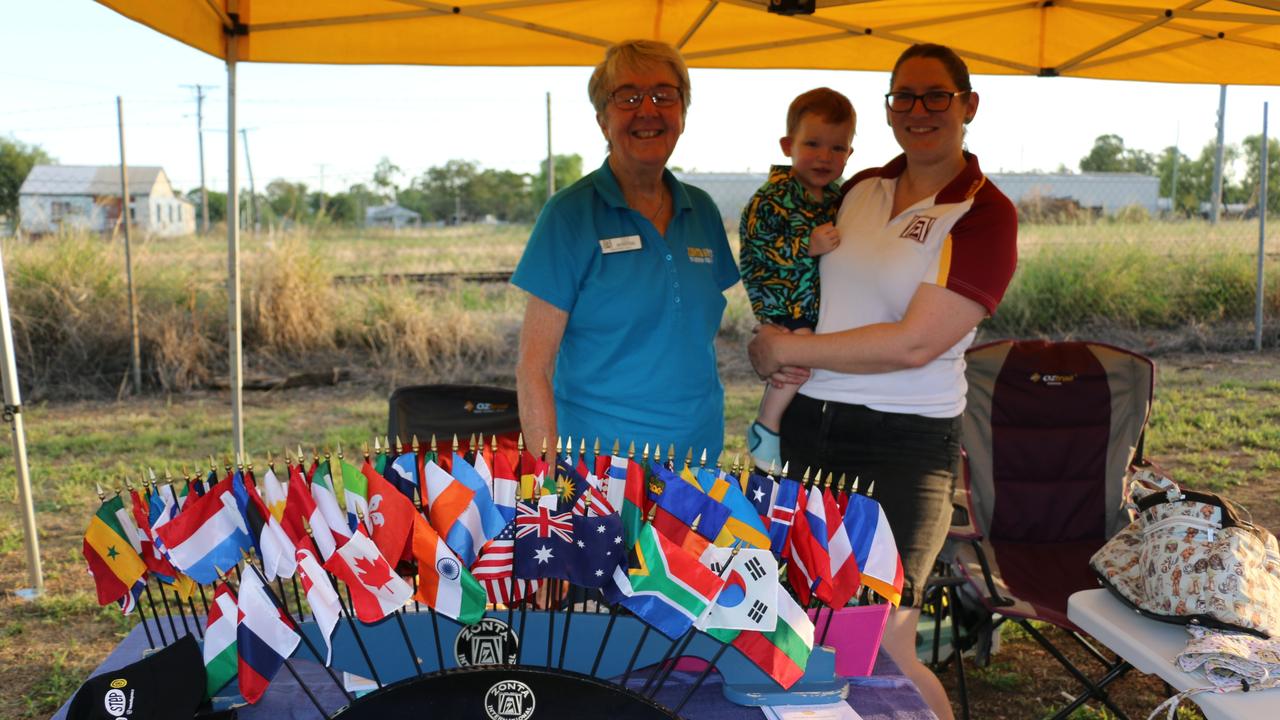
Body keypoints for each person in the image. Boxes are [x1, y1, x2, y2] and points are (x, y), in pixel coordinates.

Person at [748, 43, 1018, 720]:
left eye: (936, 96)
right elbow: (783, 257)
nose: (919, 111)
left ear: (969, 106)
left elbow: (916, 342)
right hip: (808, 429)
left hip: (902, 447)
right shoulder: (857, 187)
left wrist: (790, 346)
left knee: (884, 646)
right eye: (903, 97)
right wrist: (771, 338)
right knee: (802, 628)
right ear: (888, 110)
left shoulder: (982, 214)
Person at [513, 39, 739, 469]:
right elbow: (533, 368)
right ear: (603, 119)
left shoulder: (703, 211)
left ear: (683, 114)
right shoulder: (570, 215)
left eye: (664, 95)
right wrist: (551, 480)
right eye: (628, 97)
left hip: (699, 459)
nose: (648, 110)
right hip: (601, 470)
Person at [739, 87, 855, 471]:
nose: (825, 157)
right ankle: (766, 426)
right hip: (781, 299)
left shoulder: (837, 198)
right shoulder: (772, 197)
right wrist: (805, 244)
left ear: (850, 154)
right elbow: (758, 245)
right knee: (798, 354)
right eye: (813, 144)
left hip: (812, 304)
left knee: (807, 354)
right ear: (788, 145)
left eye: (838, 149)